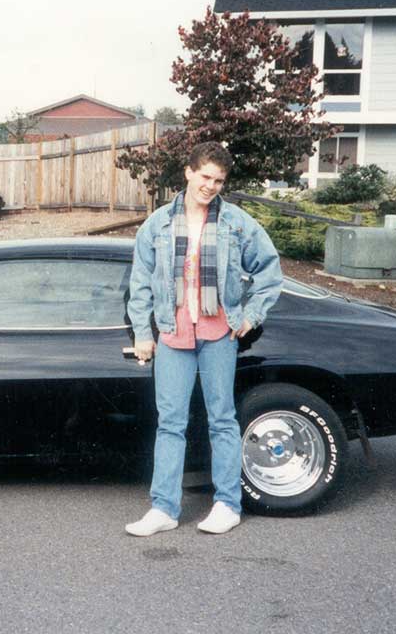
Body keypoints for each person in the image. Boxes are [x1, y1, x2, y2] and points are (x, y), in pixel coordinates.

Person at [125, 141, 282, 537]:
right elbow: (140, 283)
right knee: (170, 423)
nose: (211, 186)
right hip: (173, 332)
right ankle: (164, 509)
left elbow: (268, 270)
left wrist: (250, 315)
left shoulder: (236, 223)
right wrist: (144, 334)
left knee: (223, 420)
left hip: (217, 334)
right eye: (205, 176)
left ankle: (227, 505)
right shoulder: (157, 224)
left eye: (219, 180)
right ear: (189, 172)